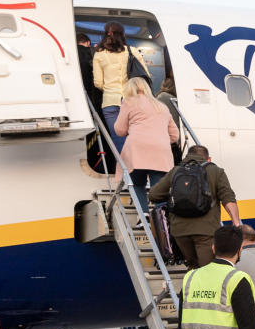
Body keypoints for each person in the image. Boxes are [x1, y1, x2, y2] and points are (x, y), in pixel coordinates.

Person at [147, 145, 241, 269]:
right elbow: (228, 198)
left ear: (187, 157)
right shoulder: (216, 171)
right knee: (207, 270)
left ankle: (191, 287)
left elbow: (153, 195)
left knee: (192, 266)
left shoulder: (176, 171)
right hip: (206, 231)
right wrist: (236, 223)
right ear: (209, 159)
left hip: (180, 231)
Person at [113, 77, 179, 213]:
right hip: (161, 151)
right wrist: (161, 139)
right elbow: (175, 135)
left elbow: (119, 130)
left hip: (137, 150)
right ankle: (161, 219)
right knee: (159, 189)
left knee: (137, 184)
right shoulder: (161, 106)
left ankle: (144, 217)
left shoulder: (129, 102)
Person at [93, 21, 149, 153]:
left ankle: (125, 171)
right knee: (136, 137)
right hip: (133, 100)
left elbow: (98, 83)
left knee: (118, 139)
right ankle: (138, 170)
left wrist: (110, 89)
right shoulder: (132, 51)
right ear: (123, 34)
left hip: (110, 101)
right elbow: (145, 75)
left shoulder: (99, 54)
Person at [76, 32, 102, 114]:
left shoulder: (73, 52)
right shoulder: (93, 51)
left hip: (78, 90)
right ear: (88, 42)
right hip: (92, 90)